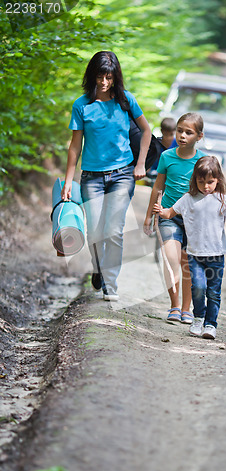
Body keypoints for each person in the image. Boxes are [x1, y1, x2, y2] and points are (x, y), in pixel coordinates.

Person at [61, 51, 151, 301]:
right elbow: (75, 146)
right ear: (93, 76)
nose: (104, 82)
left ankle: (110, 283)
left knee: (114, 229)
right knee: (95, 232)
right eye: (100, 76)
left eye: (108, 77)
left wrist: (140, 163)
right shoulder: (82, 105)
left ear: (115, 78)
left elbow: (146, 131)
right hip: (91, 177)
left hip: (123, 174)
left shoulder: (125, 101)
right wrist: (69, 181)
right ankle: (98, 267)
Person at [153, 156, 226, 339]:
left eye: (210, 182)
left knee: (213, 292)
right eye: (201, 182)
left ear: (218, 179)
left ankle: (211, 325)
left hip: (216, 256)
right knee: (199, 288)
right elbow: (171, 212)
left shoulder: (223, 200)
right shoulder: (188, 199)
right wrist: (161, 211)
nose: (206, 186)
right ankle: (198, 318)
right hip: (195, 255)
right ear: (195, 179)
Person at [143, 112, 205, 324]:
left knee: (187, 262)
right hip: (168, 215)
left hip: (193, 220)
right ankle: (174, 305)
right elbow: (157, 187)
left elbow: (210, 193)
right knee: (171, 259)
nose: (182, 136)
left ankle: (187, 308)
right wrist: (148, 216)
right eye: (180, 131)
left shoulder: (203, 161)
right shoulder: (166, 157)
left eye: (189, 132)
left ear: (199, 136)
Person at [146, 117, 177, 186]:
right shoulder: (156, 144)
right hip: (155, 174)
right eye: (166, 134)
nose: (168, 138)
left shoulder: (178, 145)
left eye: (171, 134)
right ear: (162, 131)